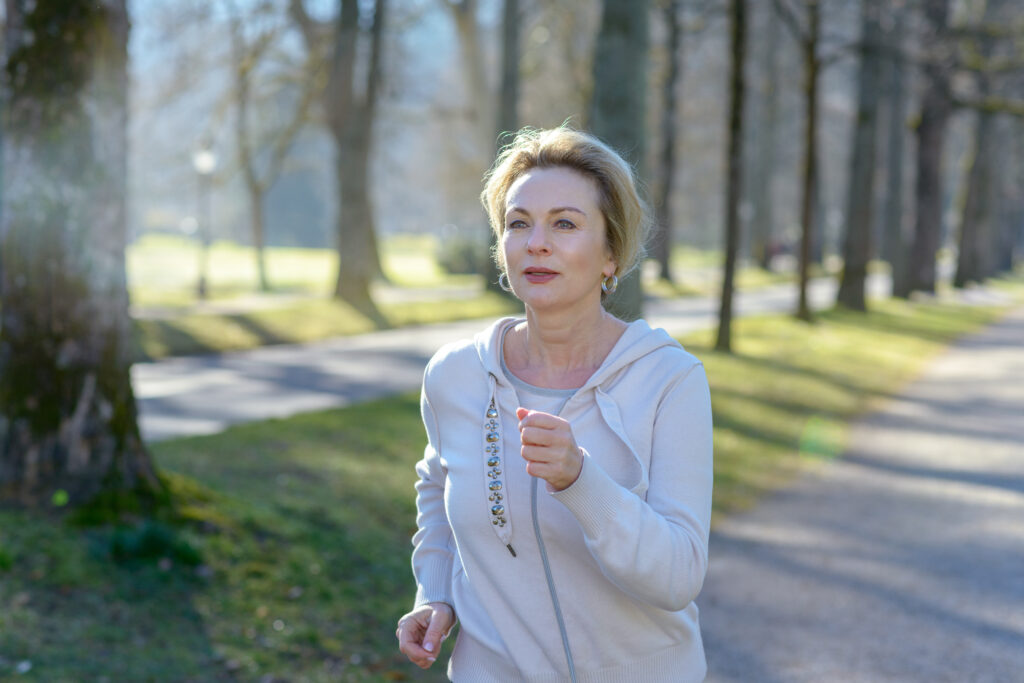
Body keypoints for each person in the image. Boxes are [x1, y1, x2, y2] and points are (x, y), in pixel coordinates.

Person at [396, 126, 713, 682]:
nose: (536, 242)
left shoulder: (669, 380)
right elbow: (439, 485)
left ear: (611, 253)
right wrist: (436, 592)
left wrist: (580, 482)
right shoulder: (455, 376)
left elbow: (679, 575)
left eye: (564, 223)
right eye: (519, 224)